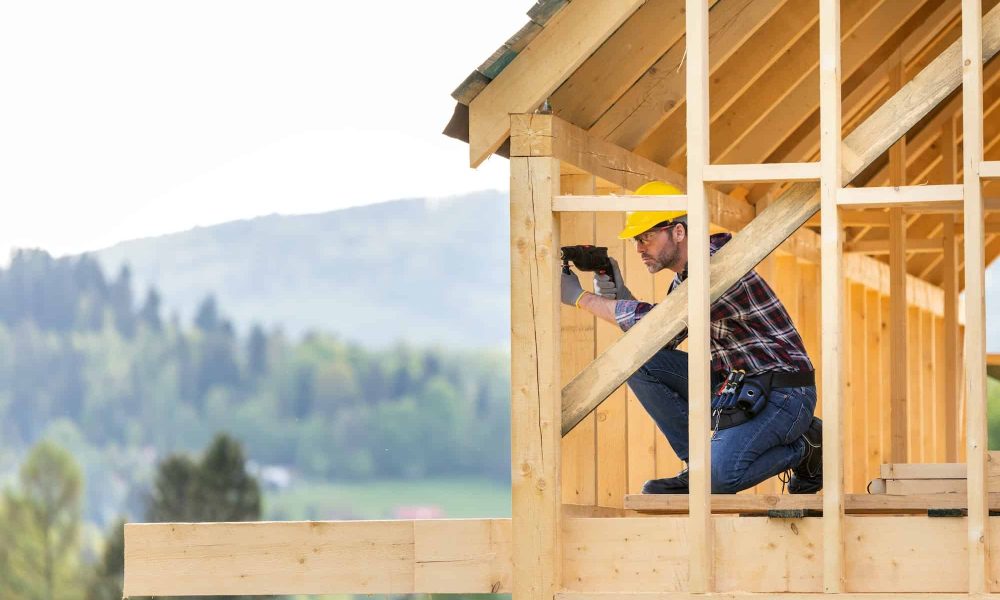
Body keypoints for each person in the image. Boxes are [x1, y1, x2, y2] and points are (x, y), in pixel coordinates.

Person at [560, 181, 822, 494]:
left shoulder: (718, 266)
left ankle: (807, 447)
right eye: (635, 241)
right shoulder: (685, 280)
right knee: (635, 362)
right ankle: (695, 465)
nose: (640, 248)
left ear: (679, 231)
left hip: (784, 393)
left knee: (719, 480)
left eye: (646, 237)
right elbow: (661, 339)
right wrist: (619, 293)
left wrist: (583, 299)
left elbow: (657, 323)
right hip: (738, 384)